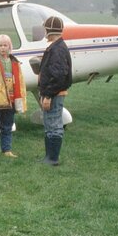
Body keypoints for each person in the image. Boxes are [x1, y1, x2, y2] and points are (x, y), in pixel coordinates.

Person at [38, 16, 72, 166]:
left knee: (54, 124)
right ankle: (48, 157)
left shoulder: (57, 49)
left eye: (45, 29)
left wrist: (48, 95)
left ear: (49, 30)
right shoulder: (56, 47)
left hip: (54, 94)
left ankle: (53, 159)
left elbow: (58, 75)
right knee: (49, 124)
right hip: (52, 93)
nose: (44, 32)